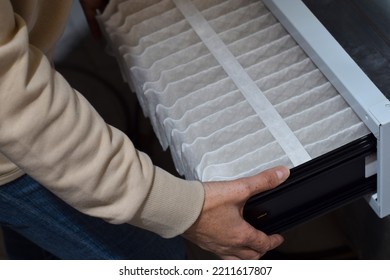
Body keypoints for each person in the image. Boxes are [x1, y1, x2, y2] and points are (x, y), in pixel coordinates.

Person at [0, 0, 290, 260]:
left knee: (38, 240)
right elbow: (11, 100)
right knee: (152, 259)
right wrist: (185, 211)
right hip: (12, 154)